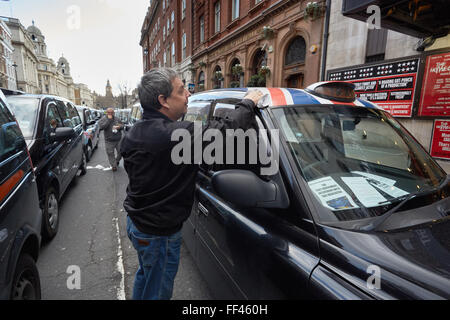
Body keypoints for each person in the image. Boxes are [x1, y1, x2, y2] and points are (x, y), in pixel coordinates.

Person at [121, 68, 263, 300]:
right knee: (157, 292)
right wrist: (247, 103)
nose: (188, 93)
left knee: (146, 276)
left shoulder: (135, 132)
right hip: (158, 234)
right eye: (181, 90)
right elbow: (224, 133)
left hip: (137, 223)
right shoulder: (175, 135)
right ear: (163, 101)